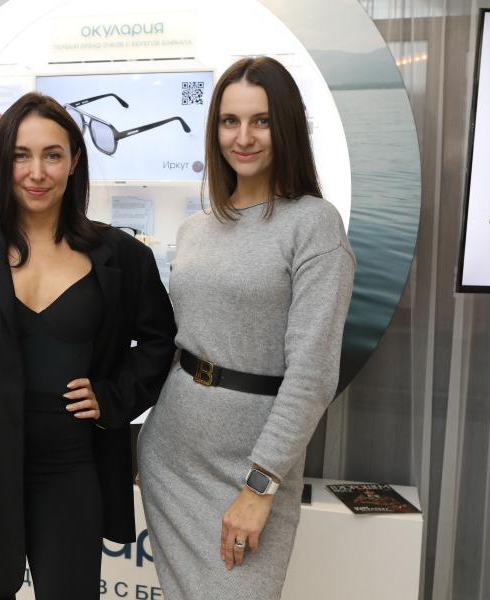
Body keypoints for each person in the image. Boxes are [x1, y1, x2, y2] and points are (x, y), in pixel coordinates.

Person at [0, 92, 176, 600]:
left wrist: (113, 397)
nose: (37, 172)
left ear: (75, 160)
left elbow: (159, 342)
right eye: (21, 155)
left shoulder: (122, 257)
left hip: (72, 470)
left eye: (52, 155)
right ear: (3, 162)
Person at [137, 56, 355, 599]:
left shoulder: (314, 225)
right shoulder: (196, 228)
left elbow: (312, 374)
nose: (244, 137)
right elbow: (180, 341)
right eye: (229, 121)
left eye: (261, 121)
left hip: (252, 469)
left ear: (287, 127)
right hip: (171, 454)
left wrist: (261, 484)